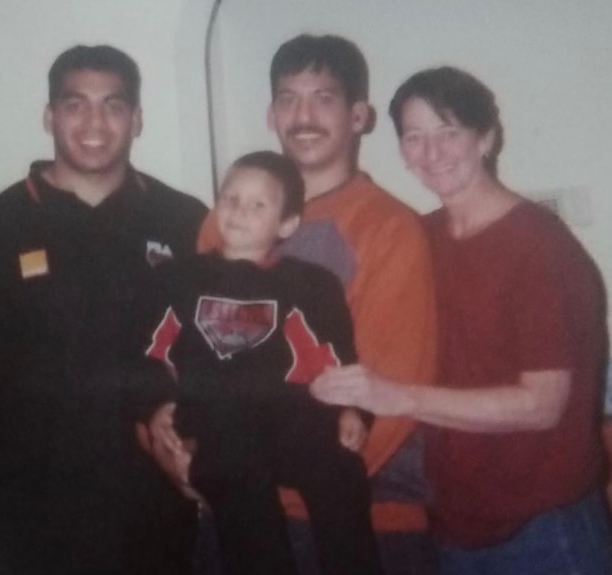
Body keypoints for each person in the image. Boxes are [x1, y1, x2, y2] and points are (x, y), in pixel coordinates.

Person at [312, 66, 612, 574]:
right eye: (415, 137)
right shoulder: (420, 236)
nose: (432, 154)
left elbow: (542, 405)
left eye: (449, 132)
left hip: (543, 523)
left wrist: (400, 396)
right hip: (453, 518)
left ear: (487, 139)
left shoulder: (539, 246)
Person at [0, 45, 207, 575]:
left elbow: (216, 357)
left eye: (113, 105)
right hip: (21, 512)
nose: (94, 122)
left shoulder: (186, 221)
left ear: (136, 119)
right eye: (75, 104)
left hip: (151, 507)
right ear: (49, 116)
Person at [199, 34, 438, 574]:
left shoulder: (390, 230)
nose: (302, 115)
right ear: (270, 113)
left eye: (323, 98)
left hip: (354, 519)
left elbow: (390, 394)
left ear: (359, 116)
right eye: (288, 98)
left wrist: (296, 487)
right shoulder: (224, 222)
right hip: (234, 508)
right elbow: (191, 356)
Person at [139, 150, 382, 575]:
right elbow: (147, 352)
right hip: (215, 422)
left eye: (257, 205)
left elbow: (332, 354)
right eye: (230, 198)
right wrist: (154, 403)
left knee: (340, 472)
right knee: (240, 491)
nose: (238, 212)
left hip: (291, 416)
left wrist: (352, 409)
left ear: (287, 223)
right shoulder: (178, 278)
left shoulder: (309, 284)